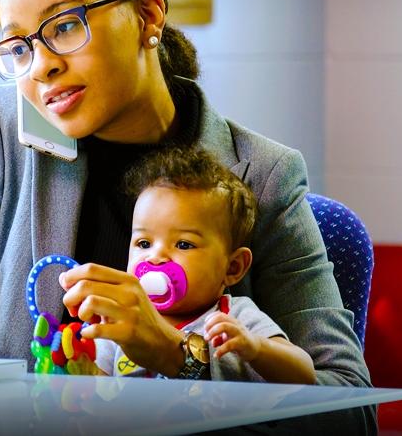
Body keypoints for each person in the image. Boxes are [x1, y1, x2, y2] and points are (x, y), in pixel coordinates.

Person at [0, 0, 372, 430]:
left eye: (63, 25)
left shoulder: (263, 174)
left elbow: (349, 409)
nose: (43, 66)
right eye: (19, 45)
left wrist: (179, 357)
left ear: (148, 15)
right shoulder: (7, 127)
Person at [88, 147, 316, 384]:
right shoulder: (122, 318)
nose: (155, 257)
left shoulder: (232, 319)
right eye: (144, 243)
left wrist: (256, 348)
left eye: (184, 245)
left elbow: (305, 375)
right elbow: (91, 392)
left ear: (233, 268)